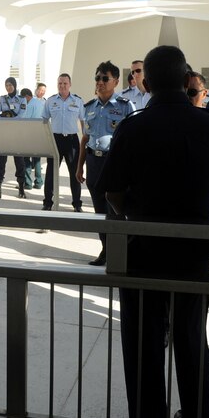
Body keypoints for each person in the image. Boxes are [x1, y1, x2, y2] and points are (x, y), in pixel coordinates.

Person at [99, 45, 209, 418]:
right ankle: (199, 415)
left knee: (143, 343)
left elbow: (112, 192)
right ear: (185, 79)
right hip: (194, 248)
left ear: (147, 83)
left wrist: (138, 213)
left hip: (143, 249)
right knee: (191, 336)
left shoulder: (133, 126)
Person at [75, 61, 135, 265]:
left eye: (104, 78)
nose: (99, 82)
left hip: (114, 163)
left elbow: (132, 140)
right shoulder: (89, 107)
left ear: (116, 82)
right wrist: (80, 166)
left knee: (116, 211)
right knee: (100, 211)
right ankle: (105, 250)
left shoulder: (125, 106)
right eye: (97, 78)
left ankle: (120, 252)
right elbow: (85, 139)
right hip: (94, 162)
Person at [42, 74, 85, 211]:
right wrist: (46, 140)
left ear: (70, 84)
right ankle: (47, 203)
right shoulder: (50, 101)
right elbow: (44, 121)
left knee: (75, 173)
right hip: (55, 139)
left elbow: (83, 121)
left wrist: (85, 138)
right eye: (60, 83)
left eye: (65, 83)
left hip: (72, 141)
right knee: (51, 173)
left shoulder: (78, 101)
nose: (62, 86)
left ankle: (77, 204)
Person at [0, 76, 27, 199]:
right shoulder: (2, 99)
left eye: (10, 85)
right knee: (0, 161)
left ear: (15, 85)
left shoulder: (22, 99)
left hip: (17, 134)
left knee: (20, 161)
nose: (8, 87)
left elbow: (22, 116)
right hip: (4, 134)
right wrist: (5, 120)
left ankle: (21, 188)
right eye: (6, 85)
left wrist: (7, 120)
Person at [23, 82, 46, 190]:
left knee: (26, 159)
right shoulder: (41, 103)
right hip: (39, 134)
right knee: (37, 160)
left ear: (27, 96)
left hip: (29, 134)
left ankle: (27, 183)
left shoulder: (29, 105)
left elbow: (25, 120)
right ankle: (39, 182)